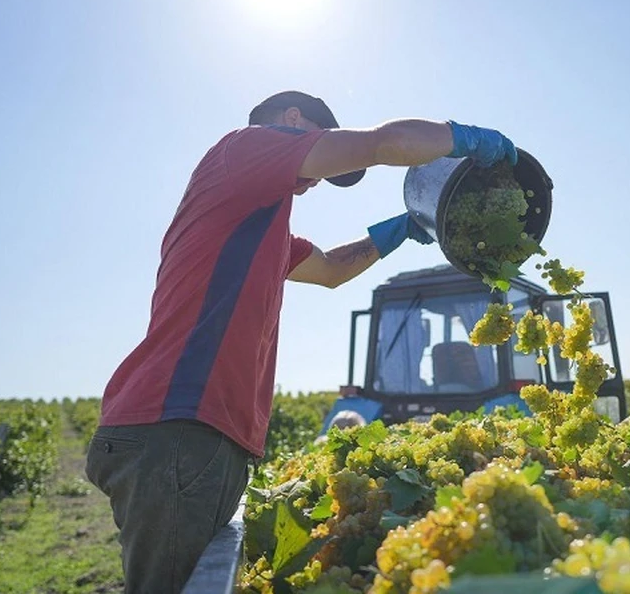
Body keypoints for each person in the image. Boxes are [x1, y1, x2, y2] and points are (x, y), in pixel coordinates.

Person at [84, 90, 518, 594]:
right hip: (179, 425)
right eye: (316, 163)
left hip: (192, 435)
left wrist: (397, 231)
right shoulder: (245, 146)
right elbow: (386, 142)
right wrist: (466, 139)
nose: (312, 185)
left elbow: (332, 271)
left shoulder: (254, 222)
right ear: (291, 120)